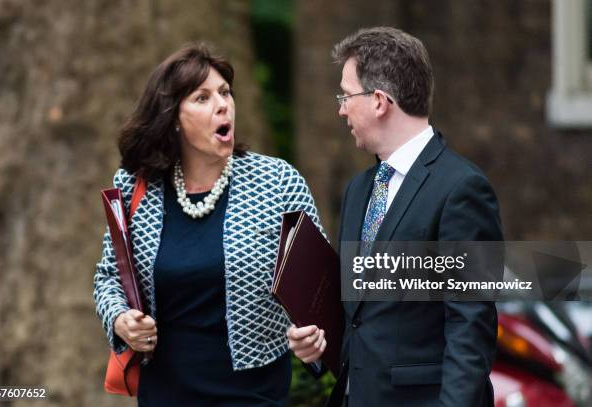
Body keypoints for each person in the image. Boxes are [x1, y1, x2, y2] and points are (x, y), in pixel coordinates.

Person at [93, 43, 323, 406]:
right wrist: (121, 320)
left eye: (225, 92)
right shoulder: (135, 186)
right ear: (173, 118)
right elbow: (108, 276)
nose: (222, 104)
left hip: (254, 394)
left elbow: (318, 287)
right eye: (202, 98)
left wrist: (314, 339)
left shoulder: (278, 181)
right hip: (164, 393)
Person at [287, 27, 503, 407]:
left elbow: (470, 327)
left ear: (380, 101)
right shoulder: (358, 190)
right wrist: (318, 350)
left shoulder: (463, 189)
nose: (341, 109)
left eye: (346, 95)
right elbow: (359, 319)